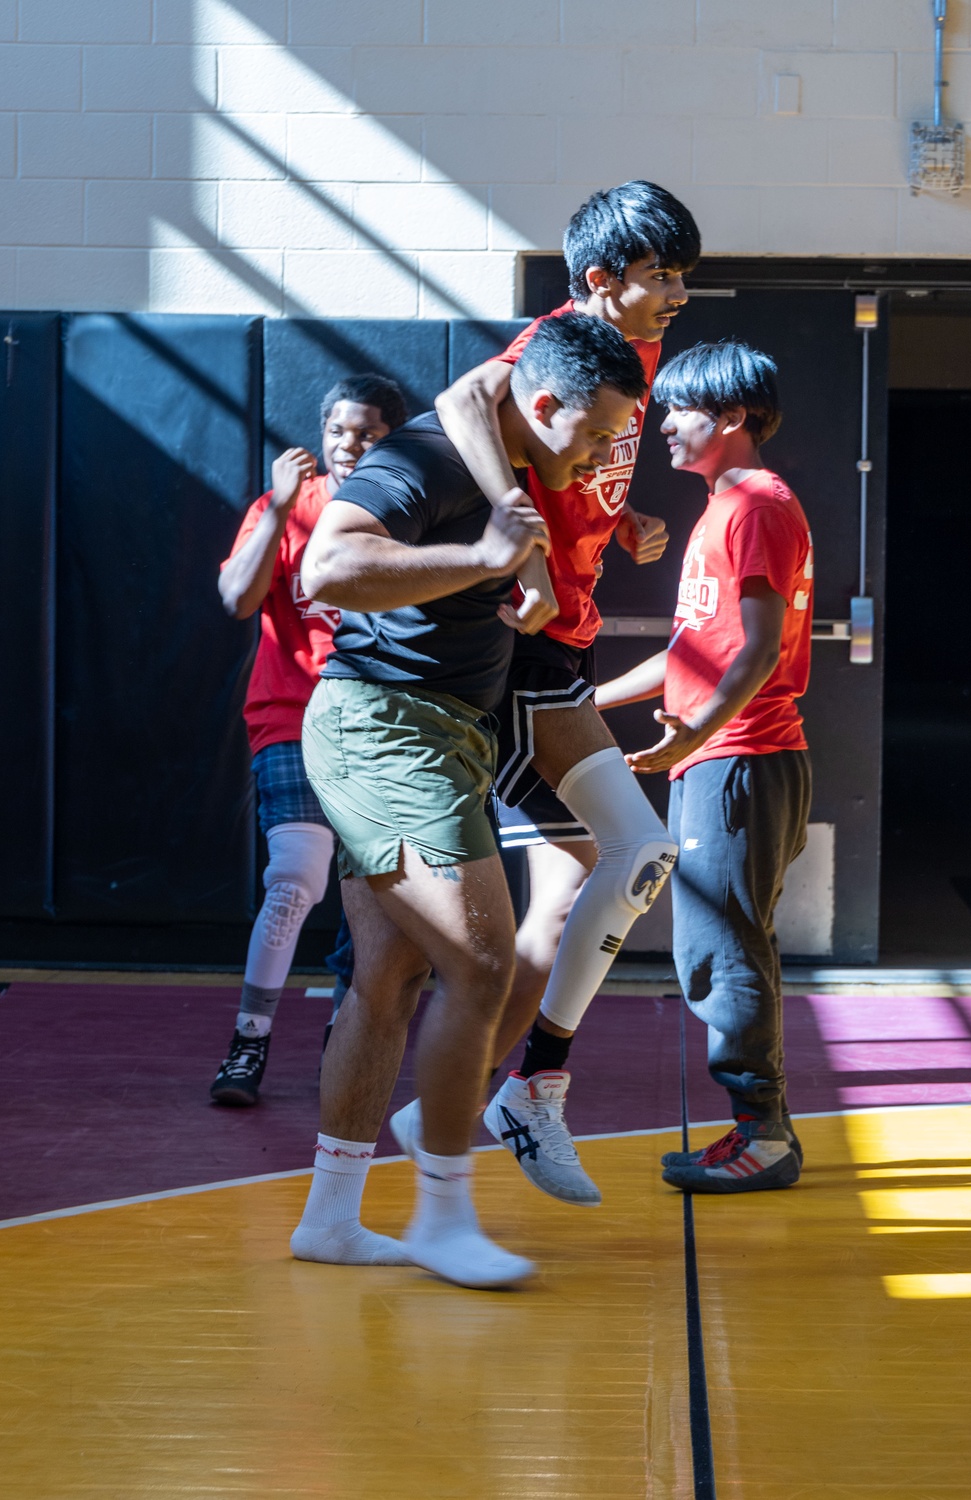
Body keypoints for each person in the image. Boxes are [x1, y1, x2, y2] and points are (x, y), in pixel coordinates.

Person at [288, 313, 646, 1289]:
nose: (609, 449)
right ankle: (443, 1211)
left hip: (432, 734)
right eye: (600, 431)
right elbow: (329, 566)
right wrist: (486, 559)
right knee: (482, 962)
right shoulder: (433, 461)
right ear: (541, 405)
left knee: (392, 974)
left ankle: (330, 1215)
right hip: (387, 732)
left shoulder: (516, 466)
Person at [389, 182, 700, 1208]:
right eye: (664, 276)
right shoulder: (554, 338)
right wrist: (516, 534)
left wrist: (623, 521)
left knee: (583, 890)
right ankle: (529, 1093)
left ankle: (474, 1092)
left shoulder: (631, 354)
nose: (679, 295)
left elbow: (584, 465)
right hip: (519, 654)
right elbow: (461, 401)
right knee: (636, 851)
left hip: (563, 647)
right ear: (603, 280)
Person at [594, 340, 814, 1193]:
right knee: (716, 948)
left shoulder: (755, 505)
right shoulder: (726, 506)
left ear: (731, 418)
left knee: (724, 952)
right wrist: (592, 702)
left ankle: (765, 1136)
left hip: (742, 759)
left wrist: (693, 738)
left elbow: (757, 652)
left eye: (679, 413)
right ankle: (761, 1128)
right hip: (725, 759)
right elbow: (696, 647)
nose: (662, 431)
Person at [210, 375, 407, 1106]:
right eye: (339, 431)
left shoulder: (406, 513)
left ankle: (345, 1033)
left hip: (377, 725)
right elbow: (235, 599)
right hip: (292, 715)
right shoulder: (286, 508)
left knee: (377, 897)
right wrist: (279, 509)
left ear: (392, 438)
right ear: (320, 436)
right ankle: (249, 1041)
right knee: (294, 877)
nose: (350, 444)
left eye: (368, 432)